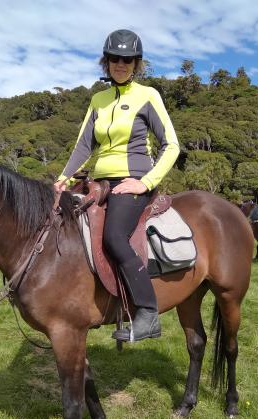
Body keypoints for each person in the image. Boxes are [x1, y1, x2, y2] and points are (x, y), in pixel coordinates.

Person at [54, 29, 180, 342]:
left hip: (132, 182)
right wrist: (63, 178)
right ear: (106, 61)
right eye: (114, 58)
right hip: (100, 182)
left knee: (113, 236)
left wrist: (144, 182)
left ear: (136, 63)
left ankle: (148, 313)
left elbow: (172, 145)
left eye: (127, 59)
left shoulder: (148, 95)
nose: (120, 64)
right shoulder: (98, 99)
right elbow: (84, 147)